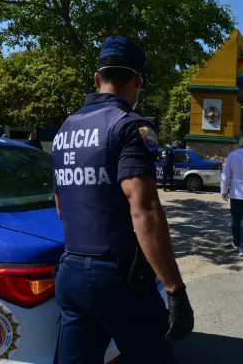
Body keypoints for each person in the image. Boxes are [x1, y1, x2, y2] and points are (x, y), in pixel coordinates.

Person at [51, 36, 193, 363]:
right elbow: (144, 210)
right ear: (137, 81)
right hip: (118, 279)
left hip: (70, 272)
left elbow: (61, 206)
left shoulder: (65, 130)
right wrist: (175, 289)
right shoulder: (130, 127)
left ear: (97, 79)